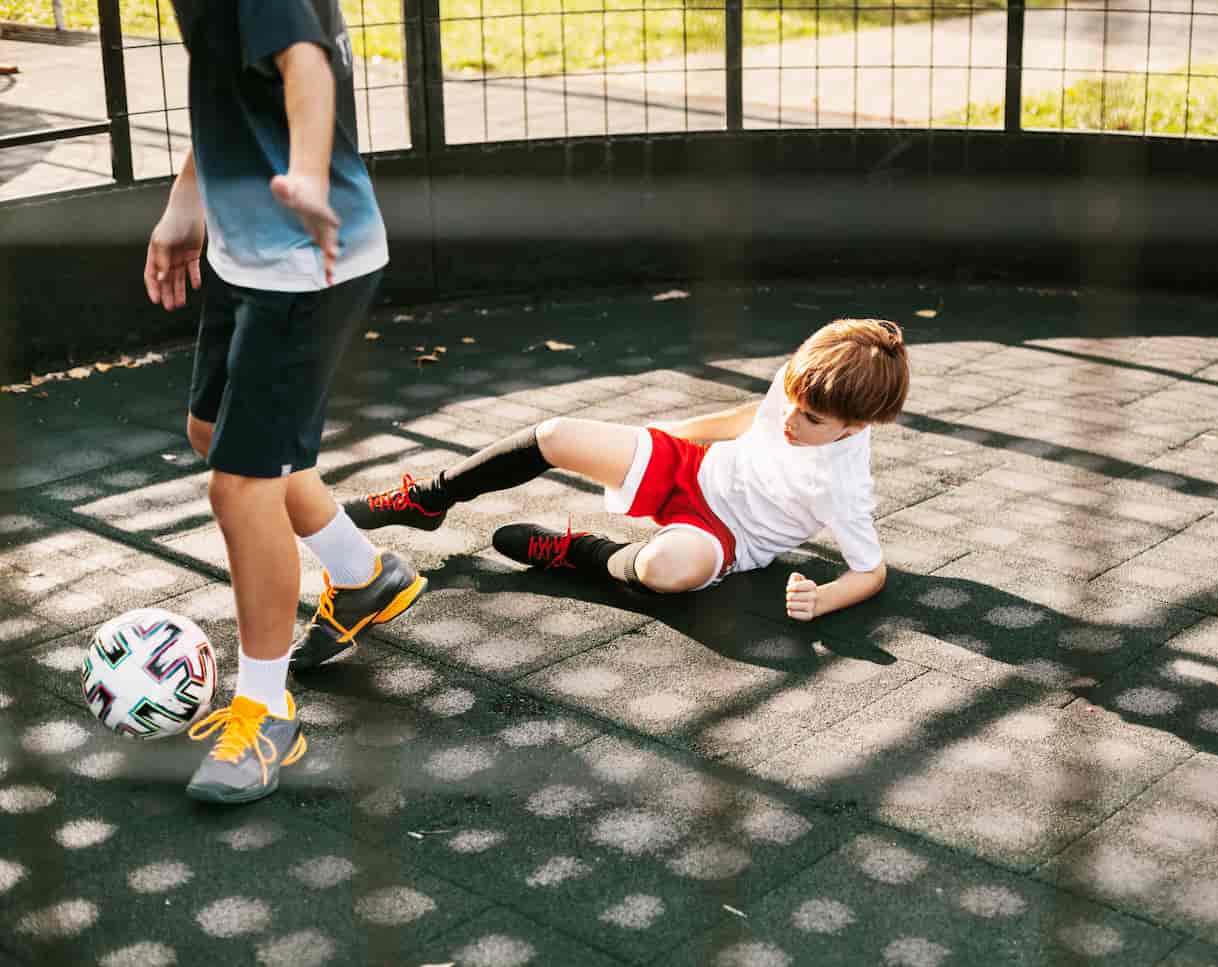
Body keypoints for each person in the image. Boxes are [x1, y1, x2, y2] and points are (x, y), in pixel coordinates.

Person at [144, 0, 425, 804]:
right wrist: (186, 201)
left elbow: (304, 64)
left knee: (239, 486)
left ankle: (266, 710)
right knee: (213, 433)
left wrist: (305, 172)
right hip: (247, 253)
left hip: (306, 266)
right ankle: (363, 572)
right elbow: (231, 98)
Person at [345, 319, 910, 620]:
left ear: (853, 429)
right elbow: (751, 415)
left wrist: (825, 598)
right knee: (556, 434)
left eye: (808, 418)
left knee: (670, 568)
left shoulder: (843, 486)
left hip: (725, 537)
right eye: (790, 398)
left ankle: (580, 553)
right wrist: (668, 435)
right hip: (693, 468)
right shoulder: (800, 387)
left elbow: (871, 572)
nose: (789, 416)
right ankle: (432, 498)